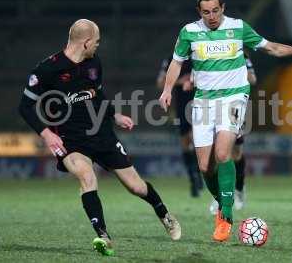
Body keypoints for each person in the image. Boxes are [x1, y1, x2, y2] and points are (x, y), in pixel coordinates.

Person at [159, 0, 292, 242]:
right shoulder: (189, 32)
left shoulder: (239, 28)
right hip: (203, 101)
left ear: (223, 7)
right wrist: (168, 89)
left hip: (233, 97)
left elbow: (272, 48)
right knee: (205, 166)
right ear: (199, 11)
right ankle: (223, 203)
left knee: (223, 153)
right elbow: (176, 62)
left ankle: (226, 215)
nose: (211, 16)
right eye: (205, 12)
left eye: (215, 10)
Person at [18, 19, 181, 256]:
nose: (97, 46)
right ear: (85, 43)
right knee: (87, 176)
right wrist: (46, 134)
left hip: (102, 134)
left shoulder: (94, 62)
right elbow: (25, 107)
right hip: (70, 139)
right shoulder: (47, 69)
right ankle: (103, 236)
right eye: (96, 42)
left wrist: (114, 115)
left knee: (136, 187)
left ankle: (164, 214)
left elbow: (97, 93)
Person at [209, 54, 257, 214]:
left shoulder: (242, 56)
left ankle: (239, 188)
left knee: (236, 154)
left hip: (234, 105)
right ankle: (219, 197)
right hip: (210, 104)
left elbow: (253, 79)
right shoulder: (209, 54)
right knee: (216, 153)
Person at [157, 57, 203, 197]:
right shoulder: (172, 59)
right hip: (181, 108)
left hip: (201, 105)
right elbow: (160, 83)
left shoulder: (200, 54)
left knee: (196, 141)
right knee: (185, 143)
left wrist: (194, 81)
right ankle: (193, 178)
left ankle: (198, 175)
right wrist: (179, 81)